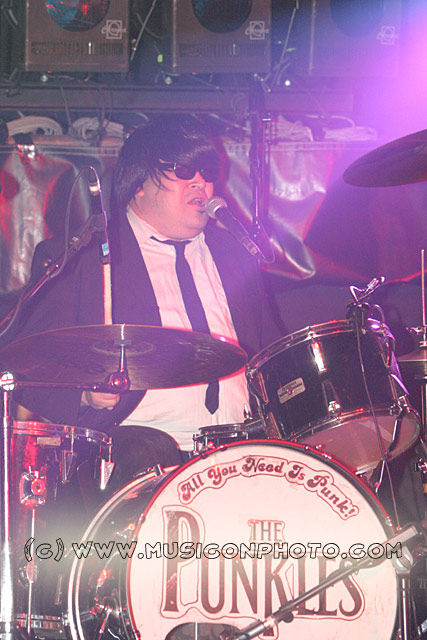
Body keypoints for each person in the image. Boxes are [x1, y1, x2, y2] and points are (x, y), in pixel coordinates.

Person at [13, 114, 280, 475]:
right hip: (134, 457)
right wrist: (85, 394)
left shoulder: (234, 254)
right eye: (183, 169)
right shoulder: (82, 257)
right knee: (145, 451)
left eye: (207, 171)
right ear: (139, 183)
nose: (200, 182)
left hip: (239, 450)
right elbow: (27, 365)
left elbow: (273, 355)